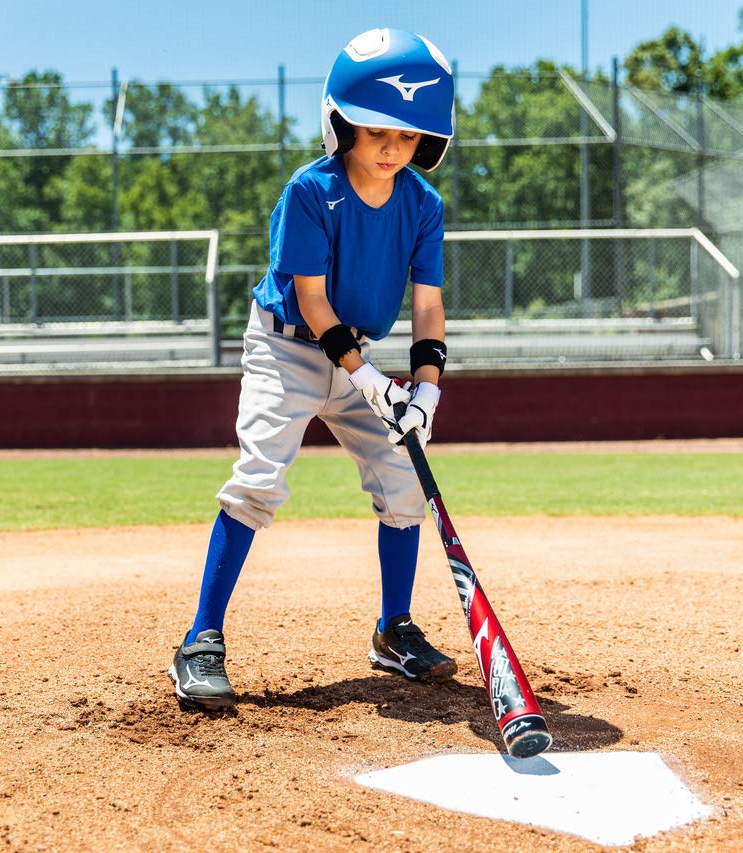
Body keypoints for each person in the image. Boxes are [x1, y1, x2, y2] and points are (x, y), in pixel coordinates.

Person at [169, 28, 456, 711]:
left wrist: (426, 395)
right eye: (377, 130)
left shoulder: (423, 206)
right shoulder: (310, 191)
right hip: (287, 346)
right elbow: (311, 300)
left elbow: (429, 308)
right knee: (259, 478)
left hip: (358, 354)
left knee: (403, 479)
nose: (392, 149)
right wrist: (370, 380)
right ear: (342, 122)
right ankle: (200, 639)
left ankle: (394, 631)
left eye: (409, 137)